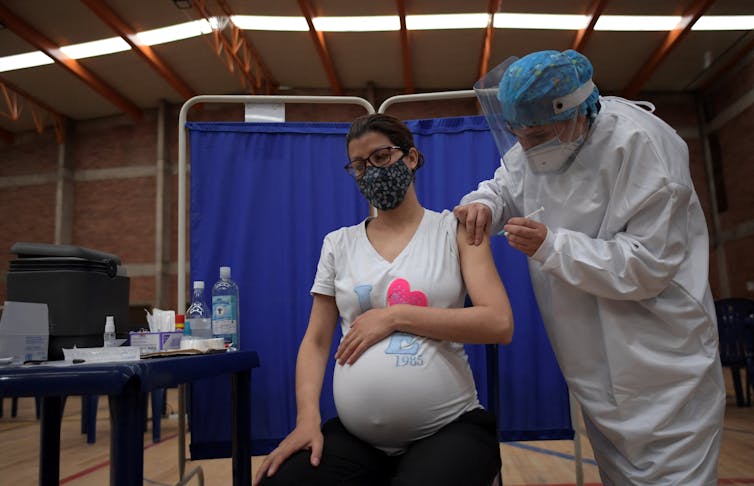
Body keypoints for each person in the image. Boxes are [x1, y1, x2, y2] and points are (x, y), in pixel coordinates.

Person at [455, 49, 725, 485]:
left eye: (537, 135)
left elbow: (647, 265)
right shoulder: (539, 141)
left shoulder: (642, 145)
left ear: (577, 112)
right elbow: (505, 184)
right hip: (593, 366)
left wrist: (552, 246)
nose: (526, 147)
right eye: (516, 135)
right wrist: (483, 204)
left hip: (662, 365)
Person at [254, 113, 514, 486]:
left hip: (449, 427)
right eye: (359, 166)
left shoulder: (454, 230)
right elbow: (315, 341)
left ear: (410, 157)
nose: (370, 171)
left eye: (380, 158)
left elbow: (499, 323)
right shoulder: (338, 244)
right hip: (358, 439)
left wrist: (395, 317)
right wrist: (307, 419)